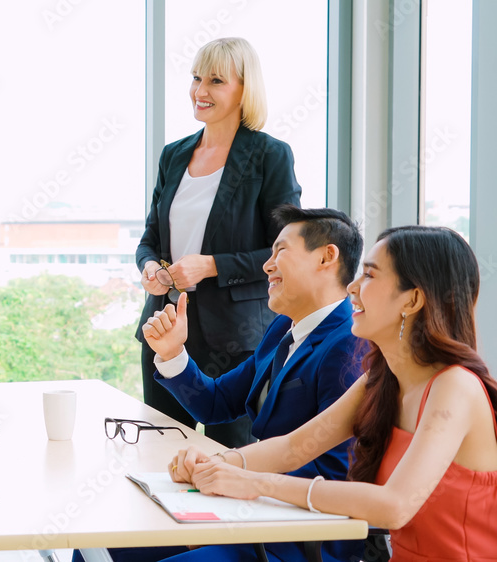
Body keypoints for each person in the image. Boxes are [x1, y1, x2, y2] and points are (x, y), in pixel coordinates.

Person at [174, 225, 497, 561]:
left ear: (412, 299)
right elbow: (294, 447)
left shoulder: (454, 387)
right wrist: (215, 464)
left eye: (370, 276)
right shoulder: (381, 379)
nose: (353, 287)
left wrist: (258, 483)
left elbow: (395, 506)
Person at [110, 206, 364, 562]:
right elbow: (215, 404)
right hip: (250, 512)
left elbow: (335, 472)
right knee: (108, 546)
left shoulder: (350, 342)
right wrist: (173, 354)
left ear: (326, 256)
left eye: (281, 251)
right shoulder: (282, 330)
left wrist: (229, 473)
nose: (267, 265)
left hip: (300, 535)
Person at [136, 37, 301, 449]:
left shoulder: (269, 156)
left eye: (215, 80)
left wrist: (211, 265)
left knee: (229, 461)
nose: (200, 90)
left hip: (234, 339)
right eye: (195, 78)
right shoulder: (174, 155)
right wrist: (151, 267)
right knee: (161, 452)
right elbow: (150, 239)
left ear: (244, 89)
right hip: (166, 326)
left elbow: (285, 250)